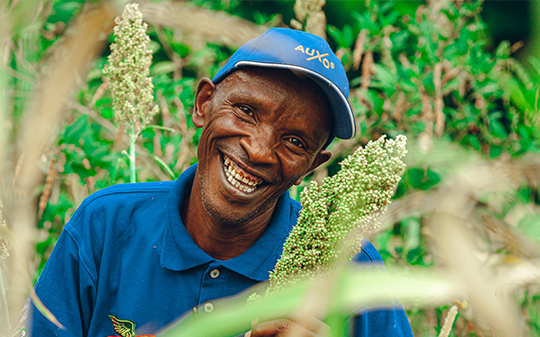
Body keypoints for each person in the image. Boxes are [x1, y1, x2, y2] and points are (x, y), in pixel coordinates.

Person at [24, 28, 413, 337]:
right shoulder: (105, 226)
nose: (259, 151)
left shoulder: (351, 270)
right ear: (203, 103)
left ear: (312, 165)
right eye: (246, 111)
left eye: (294, 141)